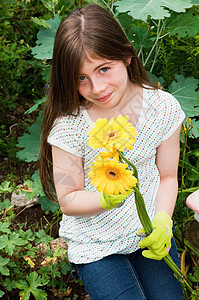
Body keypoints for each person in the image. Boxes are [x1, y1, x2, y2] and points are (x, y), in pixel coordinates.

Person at [39, 4, 185, 300]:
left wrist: (162, 221)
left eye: (104, 69)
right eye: (81, 78)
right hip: (95, 244)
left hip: (148, 231)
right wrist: (105, 198)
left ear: (126, 56)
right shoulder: (69, 124)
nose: (97, 87)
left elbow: (168, 176)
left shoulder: (163, 108)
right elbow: (68, 199)